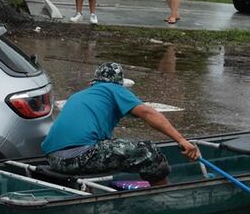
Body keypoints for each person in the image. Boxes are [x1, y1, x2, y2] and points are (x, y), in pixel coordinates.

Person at [41, 62, 200, 186]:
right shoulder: (113, 89)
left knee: (114, 146)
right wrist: (181, 140)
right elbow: (148, 113)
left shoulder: (80, 96)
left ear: (94, 81)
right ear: (119, 83)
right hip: (79, 157)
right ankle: (163, 193)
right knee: (148, 151)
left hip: (54, 160)